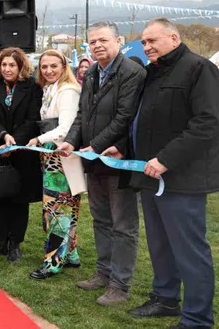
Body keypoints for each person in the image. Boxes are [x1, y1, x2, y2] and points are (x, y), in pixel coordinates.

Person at [127, 18, 219, 328]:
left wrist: (166, 159)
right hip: (151, 177)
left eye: (152, 40)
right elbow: (144, 121)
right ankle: (165, 298)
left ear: (174, 38)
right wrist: (124, 150)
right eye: (144, 42)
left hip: (183, 179)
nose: (146, 46)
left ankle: (197, 318)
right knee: (159, 244)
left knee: (189, 250)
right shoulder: (152, 72)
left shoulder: (199, 68)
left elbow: (207, 123)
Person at [58, 22, 146, 307]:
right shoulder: (92, 72)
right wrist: (71, 141)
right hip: (93, 161)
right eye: (92, 41)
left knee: (123, 226)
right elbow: (82, 115)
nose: (97, 45)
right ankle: (103, 273)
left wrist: (95, 146)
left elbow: (125, 117)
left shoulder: (132, 72)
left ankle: (120, 285)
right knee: (101, 220)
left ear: (119, 41)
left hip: (118, 161)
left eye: (103, 40)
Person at [0, 47, 42, 264]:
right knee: (0, 194)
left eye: (12, 65)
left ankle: (15, 244)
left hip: (22, 149)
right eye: (4, 64)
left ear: (21, 66)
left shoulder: (32, 86)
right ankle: (0, 243)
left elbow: (33, 118)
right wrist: (3, 135)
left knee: (20, 198)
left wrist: (15, 140)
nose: (7, 69)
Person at [26, 50, 84, 280]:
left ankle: (53, 262)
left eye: (54, 66)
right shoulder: (51, 88)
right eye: (44, 66)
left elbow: (65, 128)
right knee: (64, 207)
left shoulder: (68, 90)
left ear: (64, 66)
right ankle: (71, 253)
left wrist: (38, 139)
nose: (48, 70)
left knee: (57, 210)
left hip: (62, 156)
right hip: (52, 155)